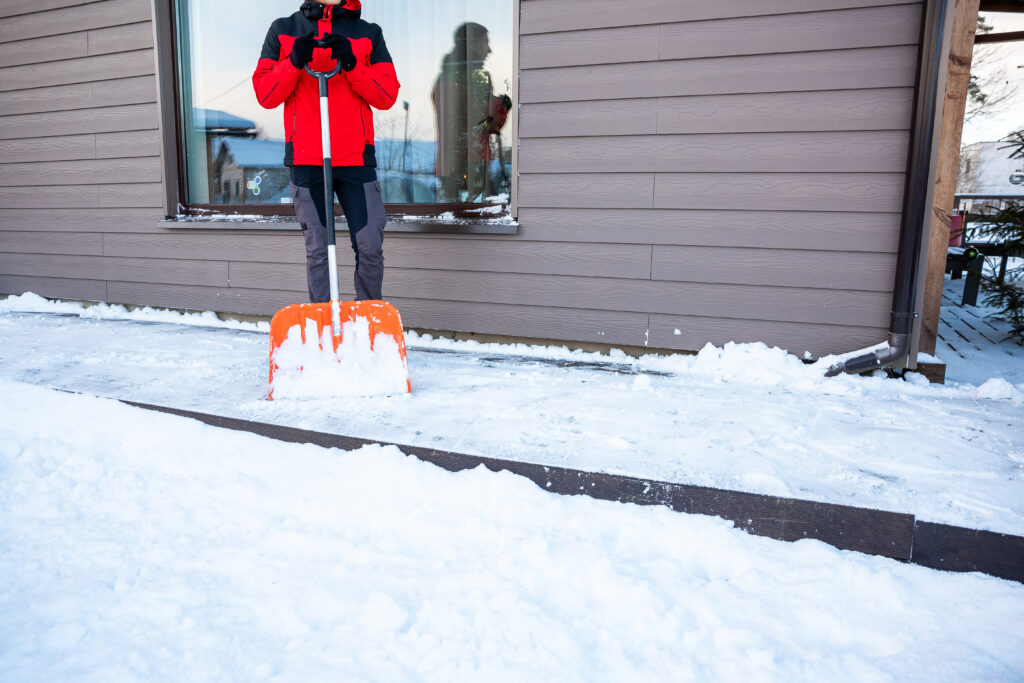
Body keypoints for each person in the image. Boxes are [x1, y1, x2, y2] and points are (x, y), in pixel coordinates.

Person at [253, 0, 400, 303]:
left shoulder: (367, 33)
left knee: (370, 244)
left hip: (356, 158)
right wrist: (293, 62)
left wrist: (352, 65)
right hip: (306, 158)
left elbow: (387, 95)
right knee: (319, 249)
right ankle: (323, 325)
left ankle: (368, 321)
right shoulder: (283, 30)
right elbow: (266, 94)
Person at [431, 22, 511, 203]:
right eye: (485, 43)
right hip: (471, 163)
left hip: (448, 164)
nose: (489, 50)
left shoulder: (443, 77)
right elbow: (483, 125)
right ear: (472, 44)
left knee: (452, 218)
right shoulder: (475, 77)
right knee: (479, 219)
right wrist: (502, 106)